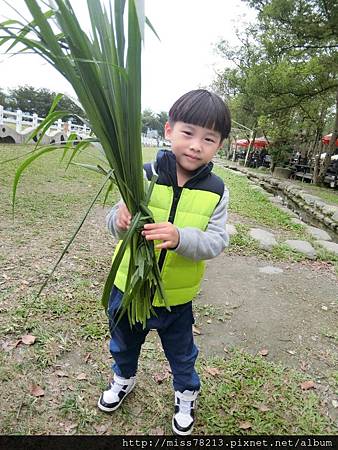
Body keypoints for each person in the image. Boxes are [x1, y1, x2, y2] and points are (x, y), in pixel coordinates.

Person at [98, 89, 231, 435]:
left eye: (209, 138)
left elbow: (217, 241)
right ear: (169, 130)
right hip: (128, 287)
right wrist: (121, 219)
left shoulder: (216, 190)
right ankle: (123, 377)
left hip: (175, 296)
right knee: (123, 341)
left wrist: (180, 238)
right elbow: (114, 218)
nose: (196, 145)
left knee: (182, 353)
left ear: (220, 145)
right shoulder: (142, 173)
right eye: (188, 133)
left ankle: (186, 392)